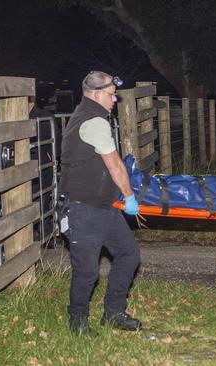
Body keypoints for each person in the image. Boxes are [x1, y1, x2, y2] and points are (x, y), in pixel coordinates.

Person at [59, 71, 141, 335]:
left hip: (102, 207)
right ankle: (78, 322)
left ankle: (114, 312)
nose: (115, 99)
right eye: (110, 94)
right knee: (86, 271)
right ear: (96, 95)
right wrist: (129, 196)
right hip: (84, 208)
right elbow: (114, 164)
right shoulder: (93, 121)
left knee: (129, 254)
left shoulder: (89, 116)